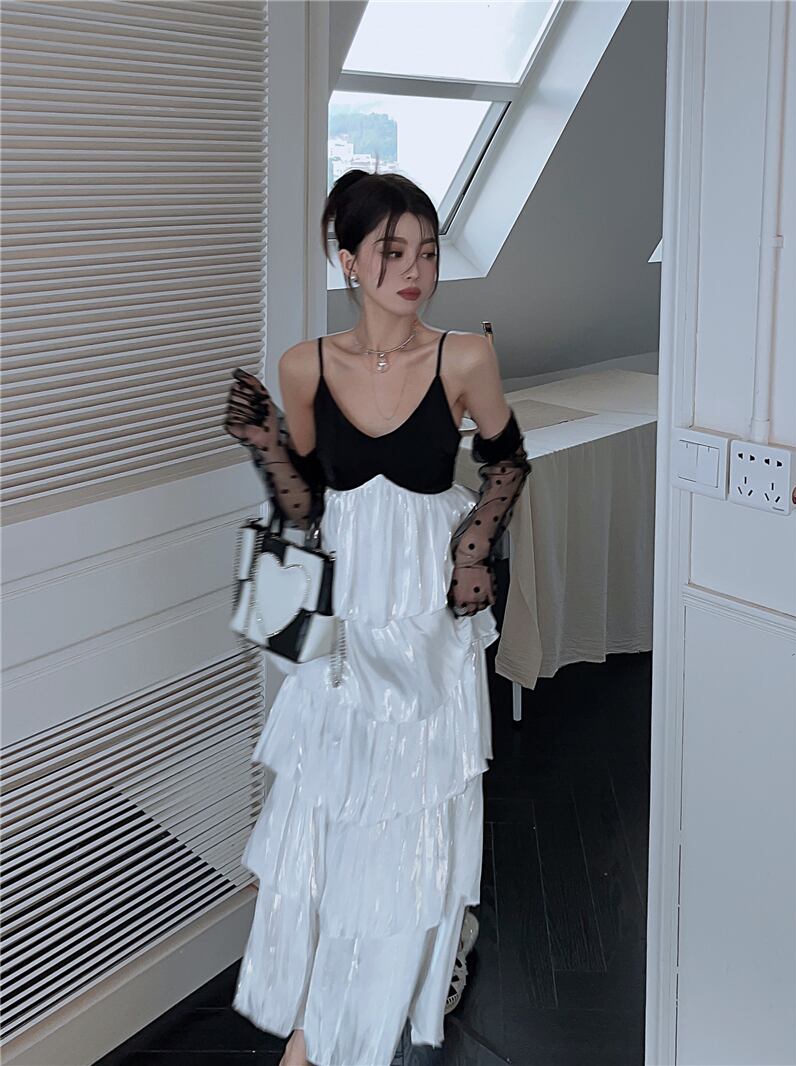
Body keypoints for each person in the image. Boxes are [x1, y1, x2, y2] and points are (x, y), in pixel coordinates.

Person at [223, 169, 531, 1066]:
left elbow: (508, 461)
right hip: (344, 615)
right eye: (393, 252)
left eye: (427, 251)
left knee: (409, 818)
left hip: (423, 616)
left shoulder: (464, 358)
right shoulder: (306, 365)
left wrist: (473, 549)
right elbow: (306, 504)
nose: (415, 270)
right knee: (333, 810)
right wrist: (265, 444)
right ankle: (319, 1030)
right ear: (349, 261)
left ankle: (360, 1011)